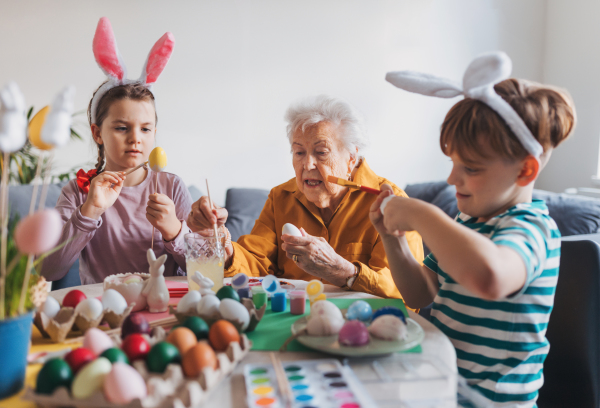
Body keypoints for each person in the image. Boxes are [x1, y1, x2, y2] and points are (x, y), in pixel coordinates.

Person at [371, 52, 576, 406]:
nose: (452, 178)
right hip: (445, 389)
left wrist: (422, 214)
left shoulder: (532, 229)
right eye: (452, 163)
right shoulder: (467, 222)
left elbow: (490, 277)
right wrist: (393, 238)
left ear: (525, 171)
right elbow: (421, 294)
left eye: (472, 168)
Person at [187, 95, 423, 299]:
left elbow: (405, 292)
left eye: (321, 152)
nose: (307, 164)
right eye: (299, 152)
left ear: (352, 157)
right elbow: (257, 263)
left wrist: (344, 271)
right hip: (292, 318)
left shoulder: (389, 203)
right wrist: (224, 246)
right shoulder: (281, 197)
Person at [42, 18, 192, 284]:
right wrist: (90, 211)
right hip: (104, 310)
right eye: (122, 128)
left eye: (145, 129)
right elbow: (50, 271)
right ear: (97, 133)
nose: (136, 139)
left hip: (165, 308)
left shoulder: (173, 187)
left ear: (154, 134)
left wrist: (173, 231)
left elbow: (201, 272)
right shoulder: (78, 191)